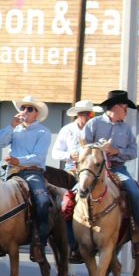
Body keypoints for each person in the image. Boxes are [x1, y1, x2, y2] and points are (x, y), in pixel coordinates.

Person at [83, 90, 139, 258]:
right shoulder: (94, 124)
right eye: (125, 107)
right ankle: (75, 239)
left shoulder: (126, 129)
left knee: (135, 193)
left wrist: (116, 151)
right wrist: (99, 149)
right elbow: (84, 147)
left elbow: (133, 151)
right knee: (74, 193)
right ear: (115, 107)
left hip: (117, 168)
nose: (127, 111)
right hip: (95, 169)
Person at [0, 96, 53, 263]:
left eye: (30, 109)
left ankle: (38, 243)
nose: (25, 112)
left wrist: (19, 161)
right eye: (24, 108)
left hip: (32, 172)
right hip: (11, 171)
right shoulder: (15, 129)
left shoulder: (43, 132)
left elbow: (38, 157)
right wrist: (11, 126)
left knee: (42, 201)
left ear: (37, 114)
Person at [52, 99, 103, 263]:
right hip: (72, 171)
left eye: (92, 114)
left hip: (93, 172)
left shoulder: (96, 130)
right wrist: (69, 155)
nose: (90, 117)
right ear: (79, 115)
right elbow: (55, 153)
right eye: (88, 114)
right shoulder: (67, 130)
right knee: (68, 204)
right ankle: (74, 245)